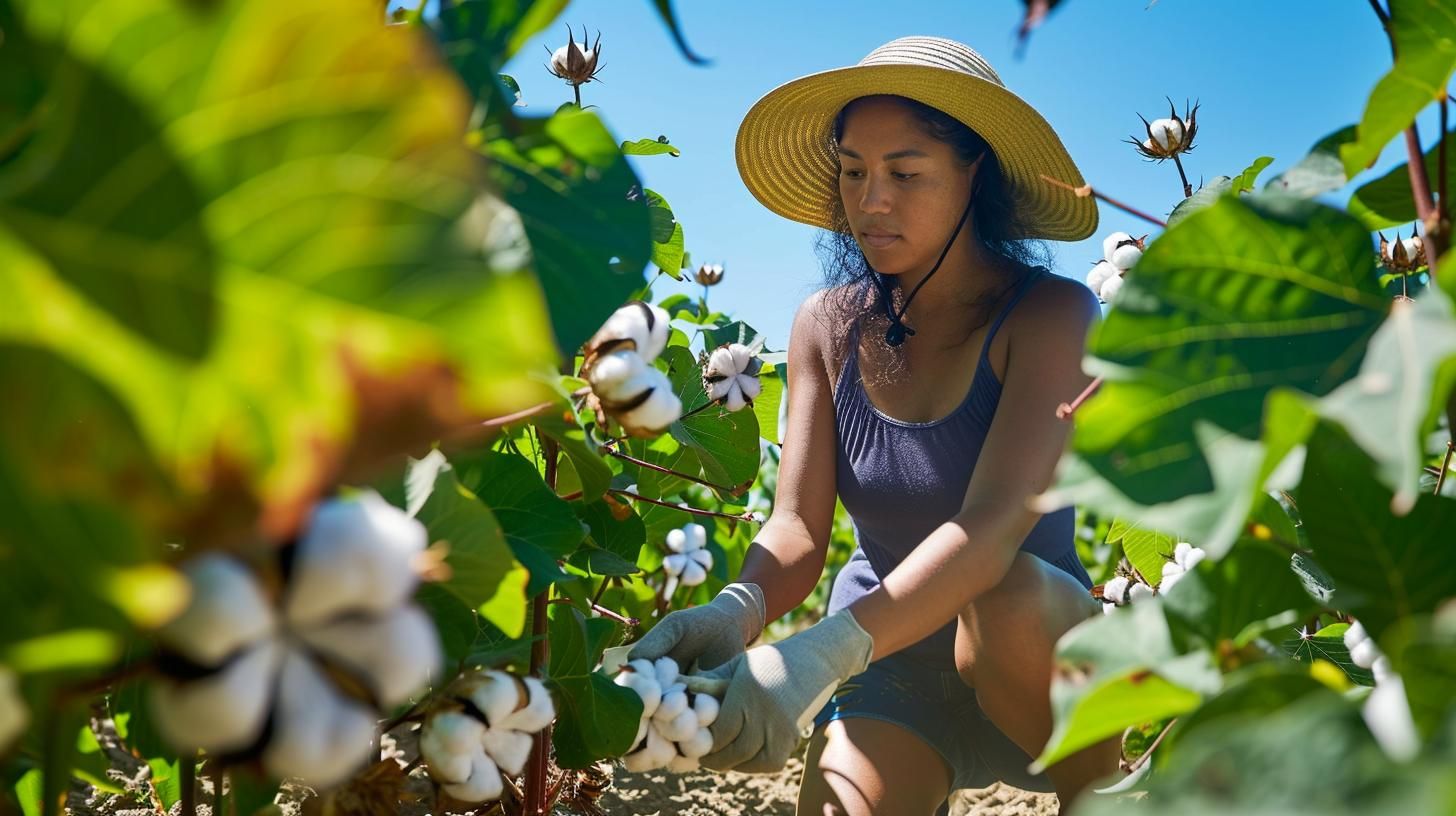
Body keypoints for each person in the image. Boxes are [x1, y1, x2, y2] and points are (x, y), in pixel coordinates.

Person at [628, 36, 1120, 815]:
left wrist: (816, 654)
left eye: (905, 172)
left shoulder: (1052, 314)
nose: (871, 200)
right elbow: (796, 527)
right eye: (853, 171)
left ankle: (1099, 794)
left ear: (974, 174)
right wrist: (738, 610)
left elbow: (991, 532)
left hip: (1036, 659)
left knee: (1007, 598)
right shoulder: (824, 326)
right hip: (889, 662)